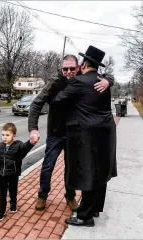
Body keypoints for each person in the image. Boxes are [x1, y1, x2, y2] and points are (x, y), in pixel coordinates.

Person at [28, 55, 114, 212]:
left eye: (72, 68)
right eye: (65, 69)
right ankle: (42, 195)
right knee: (48, 165)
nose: (68, 72)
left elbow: (103, 75)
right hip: (55, 132)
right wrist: (33, 128)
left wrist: (109, 81)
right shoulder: (55, 82)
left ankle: (70, 197)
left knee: (71, 168)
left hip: (75, 133)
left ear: (79, 67)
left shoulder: (83, 78)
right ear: (61, 69)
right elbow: (36, 104)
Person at [52, 45, 117, 227]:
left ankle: (84, 216)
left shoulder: (79, 82)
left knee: (88, 172)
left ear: (85, 63)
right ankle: (94, 208)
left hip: (88, 134)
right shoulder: (103, 81)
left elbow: (58, 101)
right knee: (100, 171)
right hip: (106, 132)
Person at [0, 122, 39, 221]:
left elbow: (25, 147)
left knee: (13, 190)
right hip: (2, 174)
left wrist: (31, 142)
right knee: (2, 193)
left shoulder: (18, 145)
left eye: (7, 135)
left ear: (14, 135)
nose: (4, 137)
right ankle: (2, 210)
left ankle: (13, 202)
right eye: (3, 135)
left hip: (13, 173)